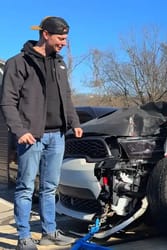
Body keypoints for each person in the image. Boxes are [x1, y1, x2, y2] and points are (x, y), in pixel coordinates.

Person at [0, 16, 83, 250]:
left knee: (50, 187)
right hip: (31, 136)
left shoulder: (60, 64)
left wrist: (74, 122)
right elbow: (7, 101)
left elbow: (66, 97)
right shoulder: (19, 63)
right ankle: (24, 237)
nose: (64, 43)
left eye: (66, 38)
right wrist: (19, 130)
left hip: (57, 137)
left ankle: (49, 232)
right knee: (26, 187)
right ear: (45, 34)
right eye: (61, 38)